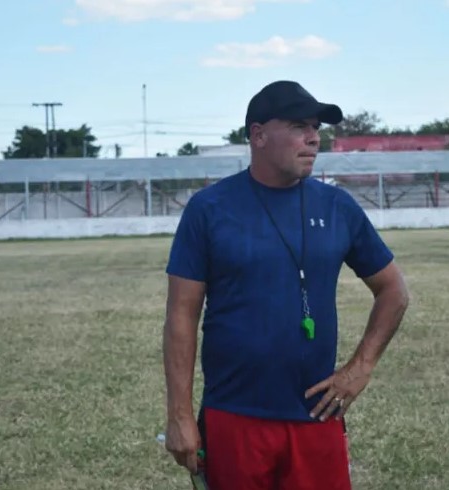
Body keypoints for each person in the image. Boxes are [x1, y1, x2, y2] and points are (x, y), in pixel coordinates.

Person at [161, 80, 410, 490]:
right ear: (258, 135)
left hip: (316, 417)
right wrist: (180, 415)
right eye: (298, 126)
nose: (313, 138)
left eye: (315, 128)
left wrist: (360, 367)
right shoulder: (210, 209)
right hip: (234, 416)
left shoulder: (337, 206)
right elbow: (181, 316)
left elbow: (393, 290)